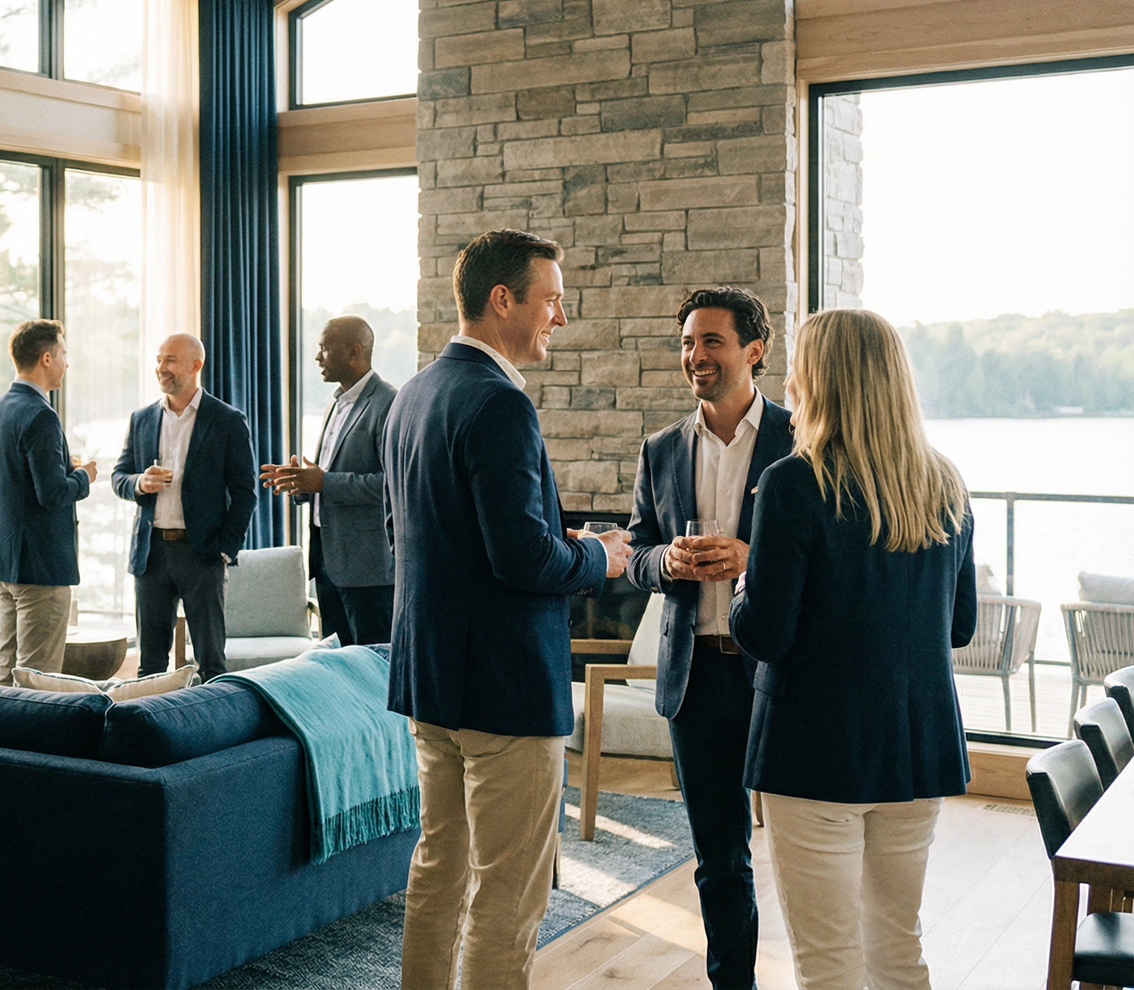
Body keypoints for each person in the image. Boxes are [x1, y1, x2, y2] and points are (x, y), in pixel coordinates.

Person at [383, 229, 629, 988]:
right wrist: (602, 557)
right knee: (508, 892)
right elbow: (522, 560)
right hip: (504, 691)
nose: (560, 316)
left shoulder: (416, 392)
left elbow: (417, 533)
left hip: (432, 680)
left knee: (439, 867)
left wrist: (560, 537)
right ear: (503, 300)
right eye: (551, 300)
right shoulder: (499, 402)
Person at [729, 308, 976, 990]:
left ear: (820, 379)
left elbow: (765, 633)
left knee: (828, 962)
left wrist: (747, 581)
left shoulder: (792, 483)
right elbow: (958, 628)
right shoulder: (945, 484)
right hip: (916, 749)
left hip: (813, 752)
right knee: (898, 948)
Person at [624, 286, 793, 990]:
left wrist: (754, 558)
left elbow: (829, 554)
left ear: (754, 351)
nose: (696, 356)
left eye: (712, 341)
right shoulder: (661, 448)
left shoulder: (801, 438)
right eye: (689, 342)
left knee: (805, 845)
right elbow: (636, 553)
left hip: (780, 674)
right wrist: (664, 561)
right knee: (718, 856)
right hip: (695, 678)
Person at [111, 333, 256, 682]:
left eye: (170, 360)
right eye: (159, 359)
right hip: (151, 555)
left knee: (211, 665)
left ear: (196, 365)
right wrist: (139, 483)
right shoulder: (141, 418)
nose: (161, 367)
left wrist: (226, 549)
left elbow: (245, 492)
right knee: (150, 666)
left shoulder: (227, 421)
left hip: (202, 554)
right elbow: (118, 476)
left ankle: (213, 733)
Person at [260, 316, 396, 645]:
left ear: (354, 351)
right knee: (335, 666)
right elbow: (325, 477)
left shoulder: (388, 403)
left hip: (368, 571)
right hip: (326, 563)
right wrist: (299, 482)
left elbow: (392, 485)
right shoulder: (334, 404)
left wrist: (323, 482)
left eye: (324, 348)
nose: (318, 357)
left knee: (372, 667)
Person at [0, 319, 97, 684]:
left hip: (3, 560)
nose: (66, 363)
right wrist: (83, 476)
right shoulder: (41, 415)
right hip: (41, 568)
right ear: (46, 359)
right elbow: (53, 495)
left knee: (6, 668)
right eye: (63, 354)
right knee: (37, 677)